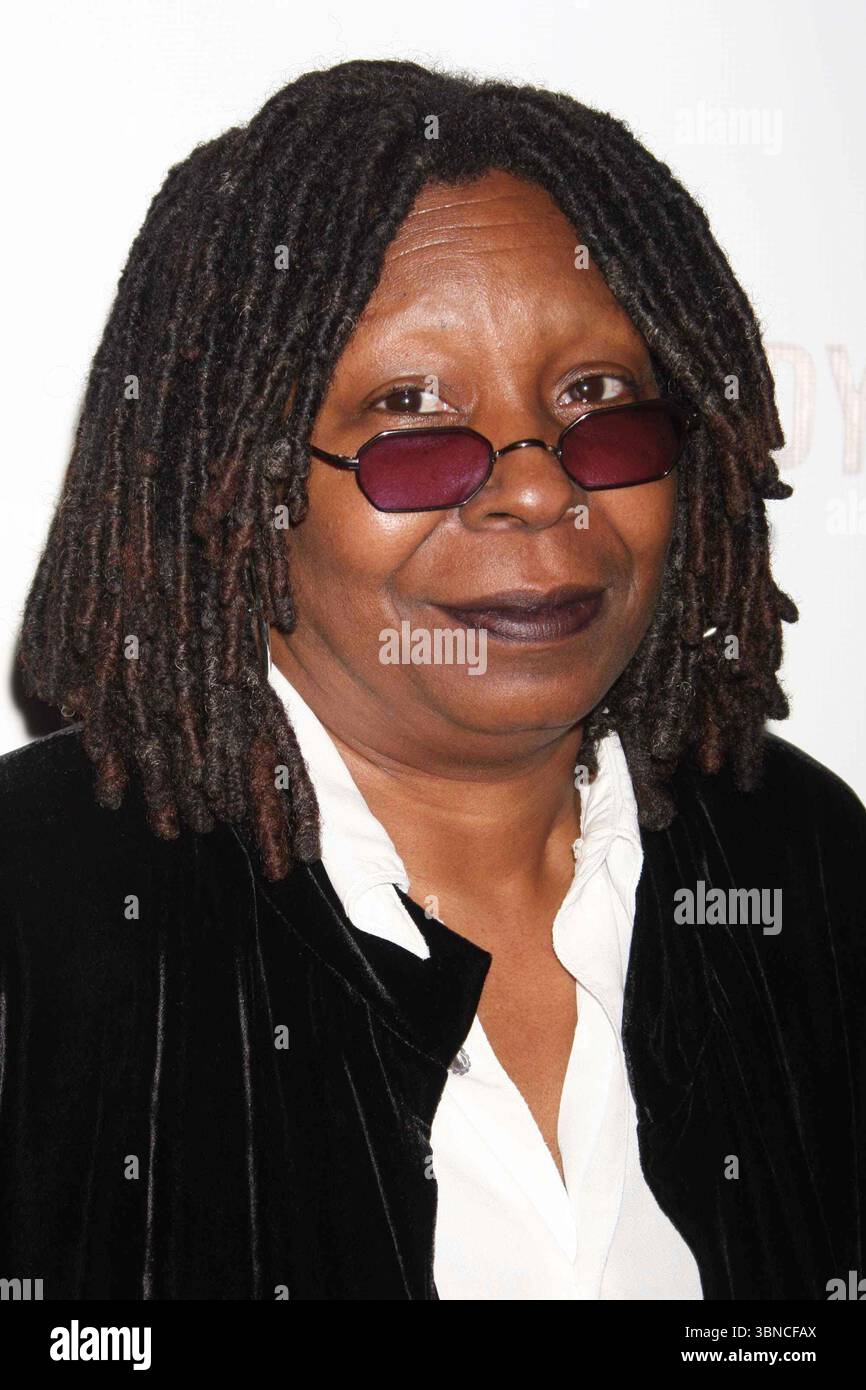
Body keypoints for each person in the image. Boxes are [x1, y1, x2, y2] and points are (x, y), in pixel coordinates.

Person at [1, 58, 863, 1301]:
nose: (536, 486)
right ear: (237, 481)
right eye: (410, 415)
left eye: (597, 401)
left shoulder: (790, 858)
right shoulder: (43, 915)